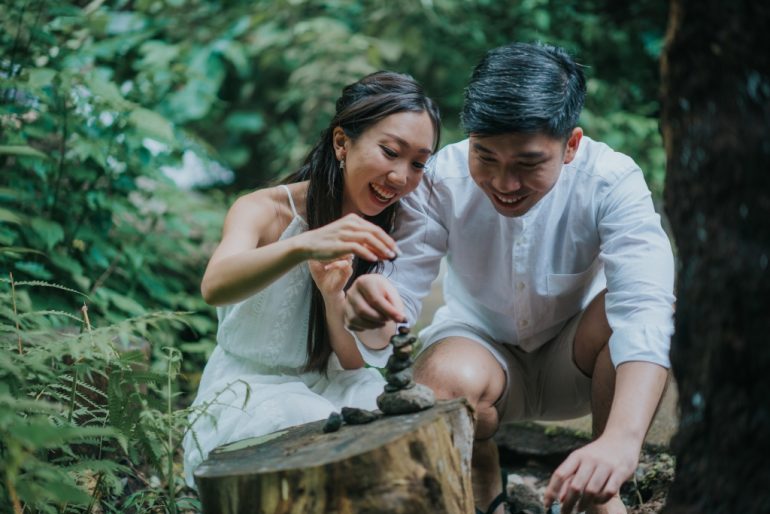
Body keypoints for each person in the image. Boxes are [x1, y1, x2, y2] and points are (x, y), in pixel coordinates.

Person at [343, 43, 674, 514]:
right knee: (438, 380)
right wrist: (369, 304)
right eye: (486, 157)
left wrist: (621, 441)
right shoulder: (439, 179)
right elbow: (397, 299)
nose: (504, 183)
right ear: (469, 139)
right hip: (480, 347)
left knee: (633, 312)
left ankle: (601, 490)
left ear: (571, 145)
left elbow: (648, 308)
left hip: (579, 357)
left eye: (527, 164)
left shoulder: (612, 179)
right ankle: (483, 485)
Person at [182, 71, 441, 487]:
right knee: (311, 426)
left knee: (397, 428)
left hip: (331, 386)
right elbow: (215, 285)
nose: (400, 177)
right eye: (390, 152)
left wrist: (331, 295)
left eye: (417, 164)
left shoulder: (392, 229)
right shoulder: (263, 209)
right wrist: (304, 245)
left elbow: (353, 362)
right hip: (248, 393)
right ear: (342, 142)